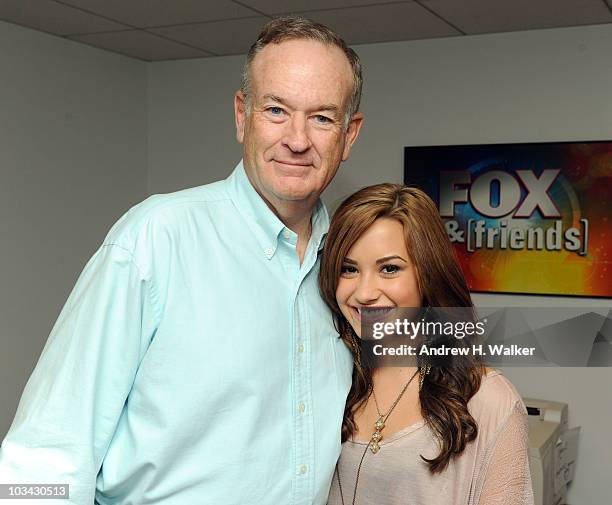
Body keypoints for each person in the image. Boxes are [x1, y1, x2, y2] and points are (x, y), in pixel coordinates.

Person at [0, 16, 363, 505]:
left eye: (322, 117)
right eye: (276, 110)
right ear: (242, 115)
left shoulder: (350, 267)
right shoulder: (156, 238)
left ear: (350, 134)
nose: (297, 139)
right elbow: (45, 454)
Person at [319, 184, 534, 505]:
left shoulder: (488, 400)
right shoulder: (325, 377)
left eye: (389, 268)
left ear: (428, 274)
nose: (364, 292)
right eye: (348, 269)